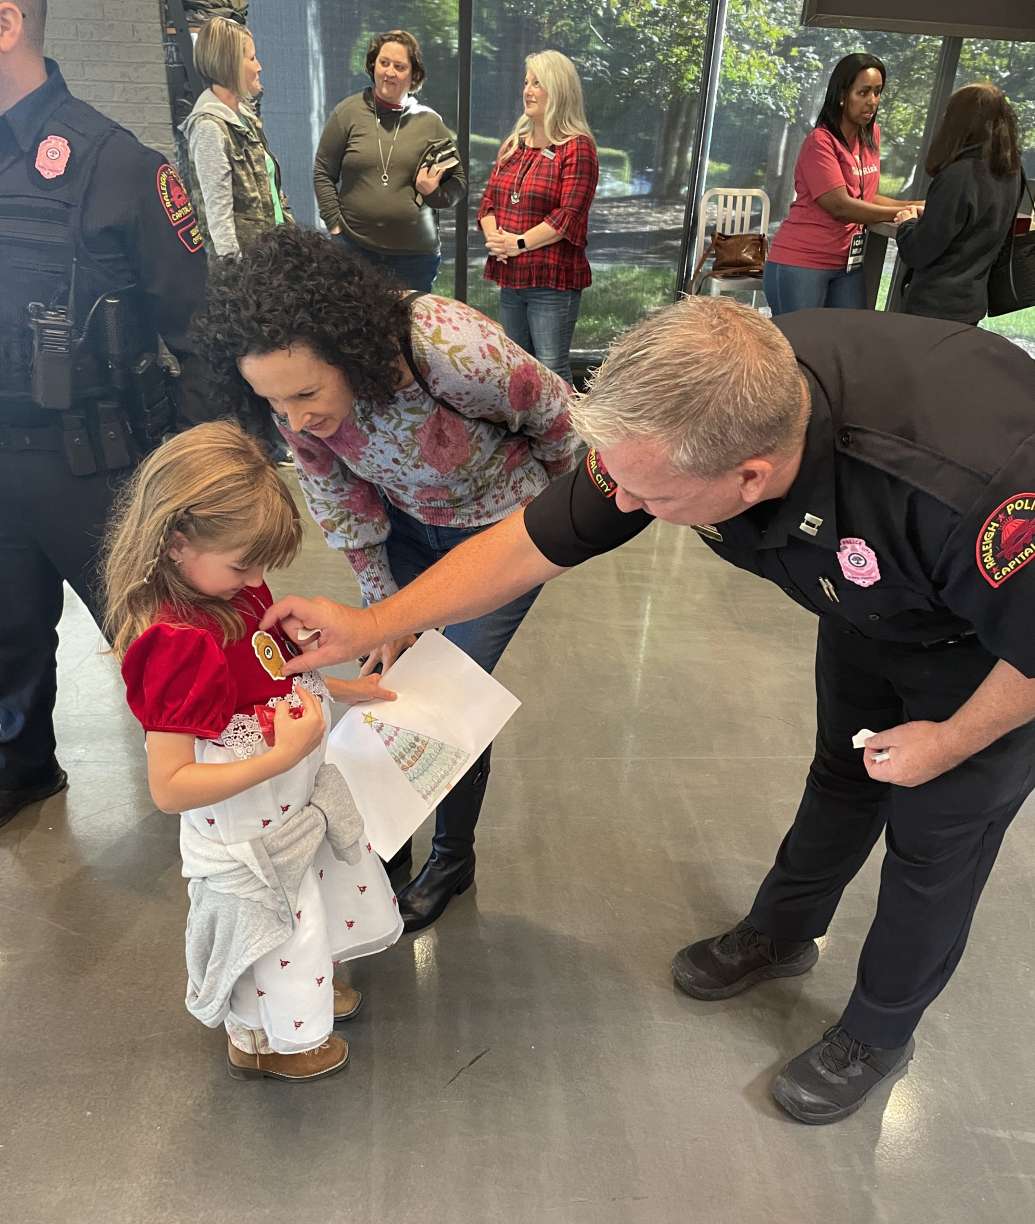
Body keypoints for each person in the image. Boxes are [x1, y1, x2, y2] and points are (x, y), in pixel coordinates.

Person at [257, 296, 1035, 1126]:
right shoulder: (682, 416)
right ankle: (782, 931)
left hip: (993, 652)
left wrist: (950, 741)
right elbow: (529, 541)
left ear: (751, 478)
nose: (621, 505)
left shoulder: (973, 488)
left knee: (934, 836)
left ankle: (879, 1032)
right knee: (842, 773)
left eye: (651, 497)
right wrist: (379, 620)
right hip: (868, 604)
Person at [191, 225, 579, 932]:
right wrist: (380, 610)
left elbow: (556, 420)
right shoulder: (291, 403)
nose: (297, 419)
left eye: (307, 392)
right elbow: (339, 498)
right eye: (275, 405)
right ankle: (387, 839)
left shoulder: (440, 346)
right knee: (388, 680)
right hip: (402, 530)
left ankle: (451, 857)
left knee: (444, 693)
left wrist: (552, 526)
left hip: (500, 530)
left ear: (350, 349)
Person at [105, 421, 403, 1082]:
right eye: (244, 563)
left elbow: (273, 671)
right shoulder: (177, 643)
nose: (257, 578)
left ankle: (302, 997)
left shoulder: (231, 589)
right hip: (245, 816)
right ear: (176, 542)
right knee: (265, 923)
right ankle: (264, 1037)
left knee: (304, 904)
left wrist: (341, 690)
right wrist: (278, 755)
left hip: (285, 801)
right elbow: (170, 786)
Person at [0, 0, 211, 831]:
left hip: (98, 472)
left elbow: (204, 340)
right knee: (5, 635)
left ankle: (221, 785)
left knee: (170, 648)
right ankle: (20, 767)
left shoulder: (119, 166)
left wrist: (193, 494)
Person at [313, 28, 466, 293]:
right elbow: (323, 172)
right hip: (354, 252)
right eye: (384, 63)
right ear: (373, 66)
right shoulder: (347, 113)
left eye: (399, 66)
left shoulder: (430, 123)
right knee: (355, 331)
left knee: (407, 334)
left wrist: (435, 195)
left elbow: (459, 184)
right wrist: (334, 224)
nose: (390, 72)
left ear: (414, 75)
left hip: (415, 260)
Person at [477, 50, 598, 384]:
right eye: (526, 82)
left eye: (537, 83)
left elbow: (568, 216)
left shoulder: (577, 147)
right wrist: (497, 241)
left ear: (558, 90)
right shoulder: (514, 144)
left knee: (550, 369)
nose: (527, 90)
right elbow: (488, 203)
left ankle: (571, 437)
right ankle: (530, 435)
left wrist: (516, 242)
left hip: (552, 281)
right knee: (518, 366)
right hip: (511, 275)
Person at [764, 53, 917, 315]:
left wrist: (915, 205)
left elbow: (865, 198)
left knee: (849, 341)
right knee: (801, 349)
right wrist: (901, 213)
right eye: (864, 92)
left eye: (878, 92)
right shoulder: (820, 142)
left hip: (847, 264)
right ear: (842, 94)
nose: (872, 102)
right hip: (802, 260)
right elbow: (841, 206)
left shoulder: (871, 136)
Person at [893, 84, 1024, 325]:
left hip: (932, 308)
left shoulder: (959, 175)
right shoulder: (1011, 173)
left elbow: (918, 250)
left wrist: (907, 224)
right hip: (970, 306)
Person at [180, 17, 292, 257]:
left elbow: (271, 192)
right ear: (230, 65)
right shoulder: (209, 127)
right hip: (250, 272)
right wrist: (236, 276)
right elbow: (219, 218)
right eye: (251, 58)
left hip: (274, 259)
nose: (259, 66)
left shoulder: (245, 116)